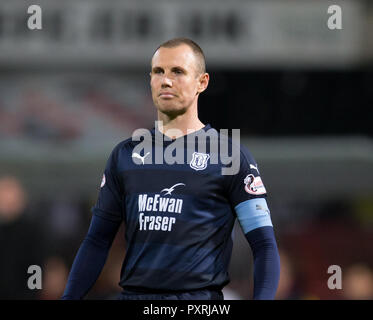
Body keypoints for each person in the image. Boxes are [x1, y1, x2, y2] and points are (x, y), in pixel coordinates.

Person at [62, 38, 280, 300]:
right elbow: (97, 241)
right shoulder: (126, 155)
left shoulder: (230, 156)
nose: (166, 81)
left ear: (202, 82)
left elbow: (264, 246)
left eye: (178, 71)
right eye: (158, 72)